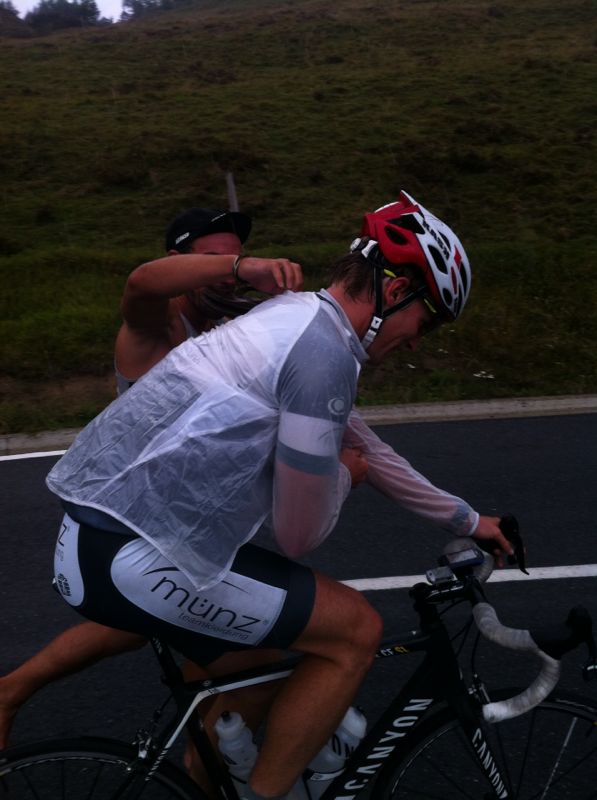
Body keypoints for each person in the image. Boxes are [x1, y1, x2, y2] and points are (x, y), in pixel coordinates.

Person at [44, 191, 513, 800]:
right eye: (425, 323)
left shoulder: (294, 316)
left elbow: (368, 447)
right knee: (355, 632)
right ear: (397, 292)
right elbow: (299, 534)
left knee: (263, 666)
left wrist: (466, 519)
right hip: (133, 554)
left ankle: (213, 781)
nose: (417, 342)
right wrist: (344, 477)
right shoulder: (322, 356)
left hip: (101, 535)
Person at [0, 207, 306, 754]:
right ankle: (208, 767)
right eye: (213, 260)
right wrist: (243, 268)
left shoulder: (224, 331)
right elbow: (142, 282)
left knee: (142, 630)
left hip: (177, 526)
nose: (227, 273)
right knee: (252, 665)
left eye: (235, 257)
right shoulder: (157, 324)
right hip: (133, 527)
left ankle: (14, 692)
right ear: (179, 261)